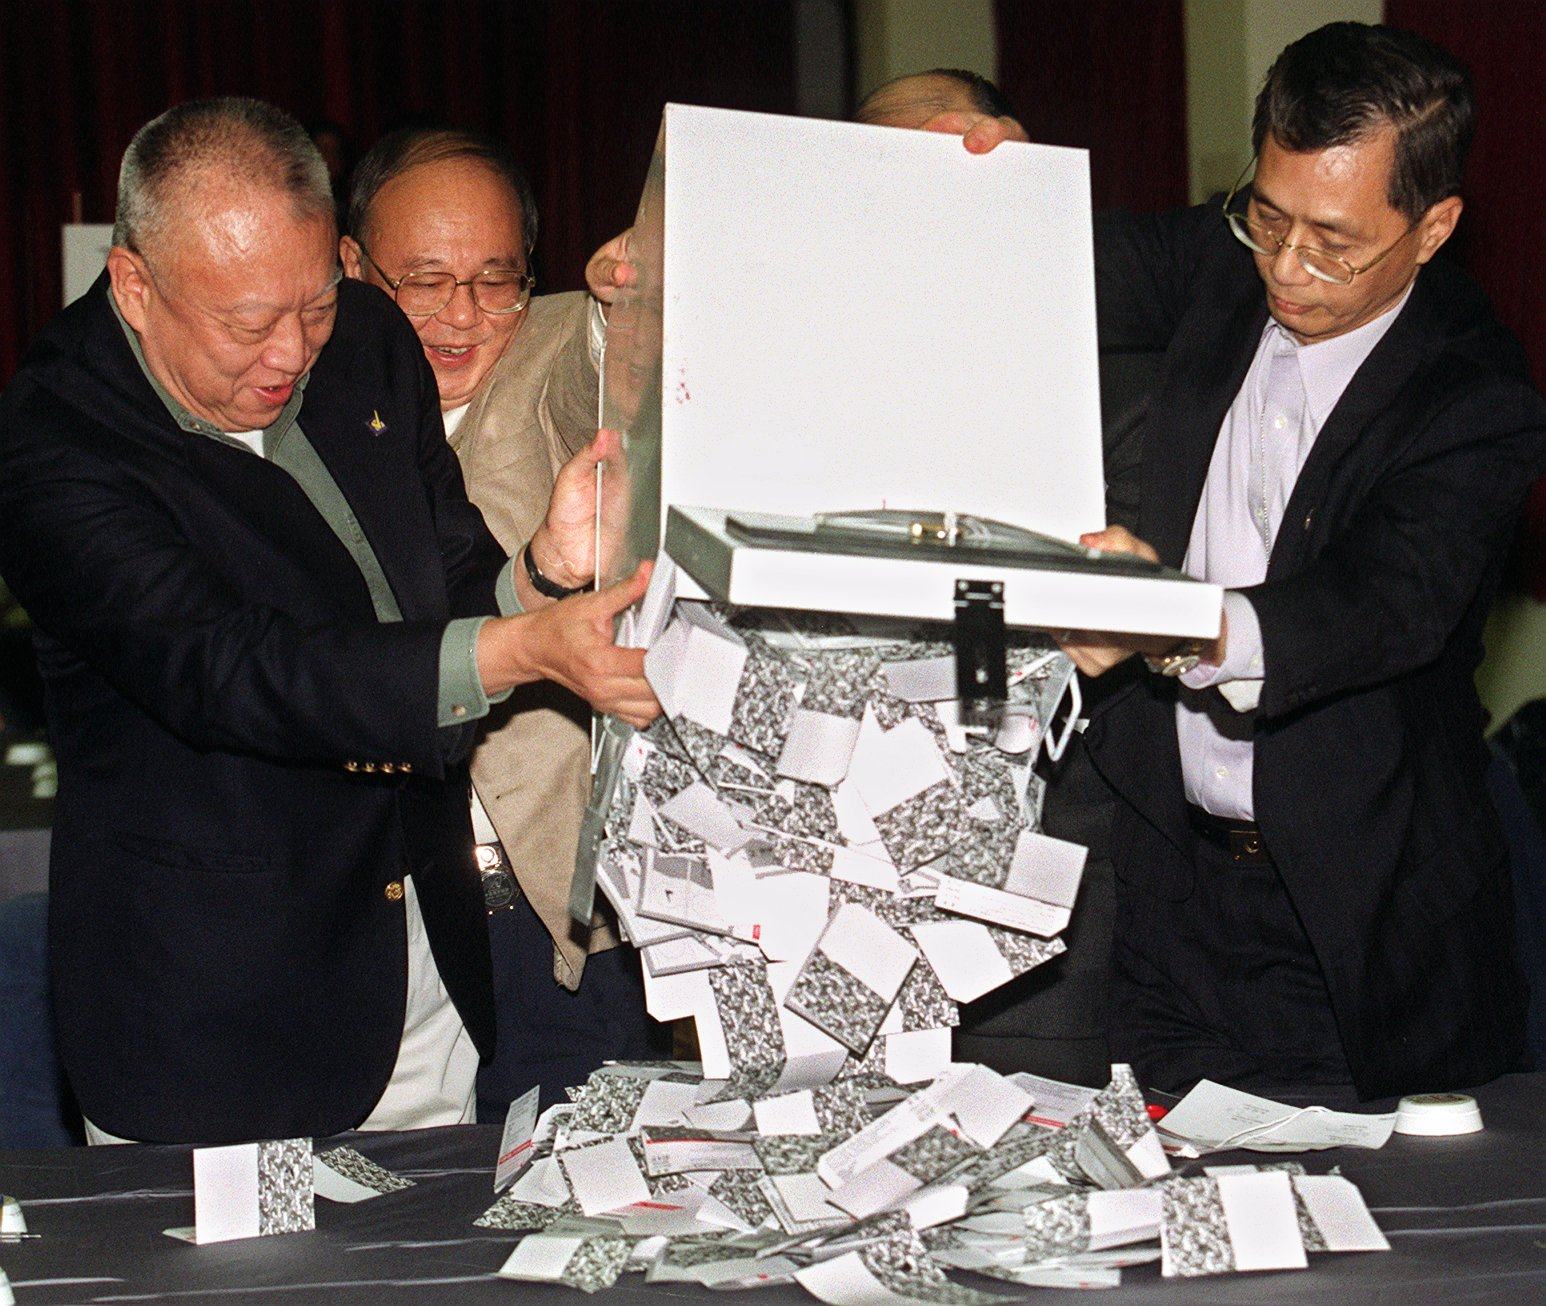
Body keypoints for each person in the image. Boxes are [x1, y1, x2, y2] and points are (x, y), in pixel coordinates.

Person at [0, 97, 659, 1145]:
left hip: (421, 973)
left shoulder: (361, 339)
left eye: (311, 306)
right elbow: (230, 670)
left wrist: (542, 570)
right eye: (246, 322)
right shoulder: (57, 443)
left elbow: (443, 571)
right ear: (135, 283)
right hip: (213, 1006)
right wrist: (523, 647)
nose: (290, 353)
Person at [1032, 23, 1541, 1098]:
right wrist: (953, 171)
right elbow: (1031, 262)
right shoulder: (1225, 268)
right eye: (1267, 216)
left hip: (1358, 923)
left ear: (1434, 226)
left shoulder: (1475, 396)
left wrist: (1179, 620)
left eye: (1333, 242)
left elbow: (1377, 605)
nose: (1286, 268)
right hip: (1168, 890)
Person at [343, 128, 664, 1116]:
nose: (462, 314)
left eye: (495, 278)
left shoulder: (552, 344)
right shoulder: (306, 400)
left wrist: (631, 309)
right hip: (377, 912)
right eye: (424, 280)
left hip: (547, 907)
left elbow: (603, 363)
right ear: (353, 268)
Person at [854, 68, 1154, 1086]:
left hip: (1034, 867)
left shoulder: (1113, 368)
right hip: (824, 865)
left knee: (1030, 1178)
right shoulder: (798, 361)